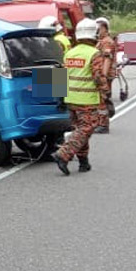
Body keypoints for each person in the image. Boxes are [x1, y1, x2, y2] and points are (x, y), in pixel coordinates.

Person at [51, 18, 110, 175]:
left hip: (71, 99)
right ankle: (63, 154)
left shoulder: (70, 53)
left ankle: (84, 163)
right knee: (86, 129)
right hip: (87, 100)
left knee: (80, 129)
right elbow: (98, 77)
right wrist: (105, 92)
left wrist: (60, 97)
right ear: (94, 35)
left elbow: (59, 75)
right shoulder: (94, 54)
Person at [94, 17, 117, 134]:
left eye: (98, 29)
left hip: (106, 75)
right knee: (100, 99)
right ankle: (100, 121)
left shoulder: (107, 41)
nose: (97, 31)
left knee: (102, 99)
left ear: (104, 28)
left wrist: (102, 75)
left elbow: (107, 60)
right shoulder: (101, 41)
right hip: (103, 75)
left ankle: (103, 125)